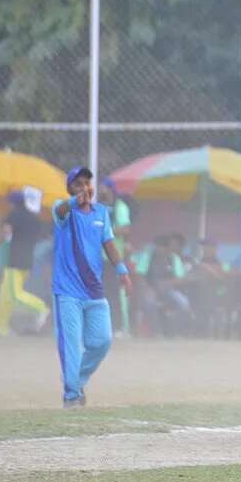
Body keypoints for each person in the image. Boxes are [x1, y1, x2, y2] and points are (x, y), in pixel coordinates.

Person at [51, 167, 132, 408]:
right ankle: (72, 395)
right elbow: (60, 210)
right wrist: (74, 201)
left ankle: (75, 379)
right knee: (72, 346)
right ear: (70, 189)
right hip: (67, 291)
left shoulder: (101, 212)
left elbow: (109, 243)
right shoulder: (64, 211)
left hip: (94, 290)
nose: (85, 187)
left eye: (87, 182)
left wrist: (122, 271)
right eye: (78, 183)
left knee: (102, 341)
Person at [0, 190, 49, 336]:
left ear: (13, 203)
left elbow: (6, 232)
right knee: (5, 296)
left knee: (14, 294)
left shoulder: (14, 214)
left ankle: (41, 308)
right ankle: (0, 327)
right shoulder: (34, 219)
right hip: (27, 261)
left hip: (15, 261)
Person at [135, 235, 190, 338]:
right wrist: (146, 287)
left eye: (160, 247)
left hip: (168, 290)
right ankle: (157, 332)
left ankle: (174, 332)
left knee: (184, 303)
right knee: (149, 303)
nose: (157, 249)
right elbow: (140, 275)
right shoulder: (148, 256)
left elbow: (179, 279)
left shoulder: (174, 258)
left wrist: (166, 283)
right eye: (156, 247)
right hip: (151, 289)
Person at [98, 178, 131, 338]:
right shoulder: (97, 207)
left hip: (113, 256)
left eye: (102, 187)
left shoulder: (120, 206)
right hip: (97, 257)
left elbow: (125, 229)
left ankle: (119, 327)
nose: (100, 190)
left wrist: (106, 231)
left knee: (113, 292)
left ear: (110, 189)